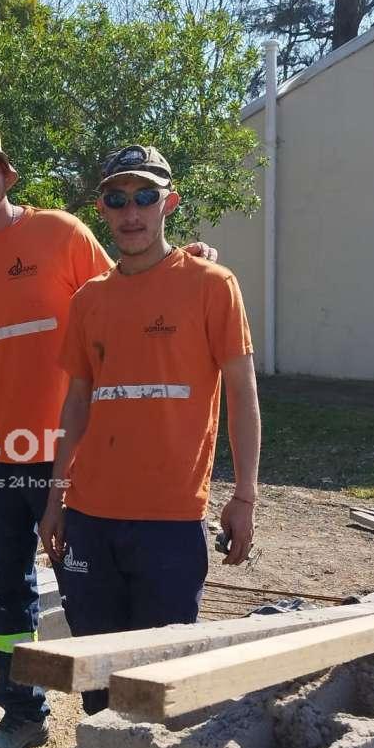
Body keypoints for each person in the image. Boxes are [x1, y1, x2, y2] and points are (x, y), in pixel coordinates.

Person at [0, 116, 220, 748]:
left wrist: (189, 264)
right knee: (2, 592)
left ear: (7, 175)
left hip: (73, 451)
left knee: (90, 597)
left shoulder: (61, 233)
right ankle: (22, 713)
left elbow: (131, 288)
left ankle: (121, 727)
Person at [39, 143, 261, 714]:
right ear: (102, 209)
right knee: (97, 668)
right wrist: (56, 497)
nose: (131, 212)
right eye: (117, 200)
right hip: (90, 515)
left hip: (170, 519)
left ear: (169, 202)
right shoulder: (90, 299)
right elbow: (77, 402)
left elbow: (242, 392)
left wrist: (244, 496)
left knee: (159, 675)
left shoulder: (211, 284)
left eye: (144, 196)